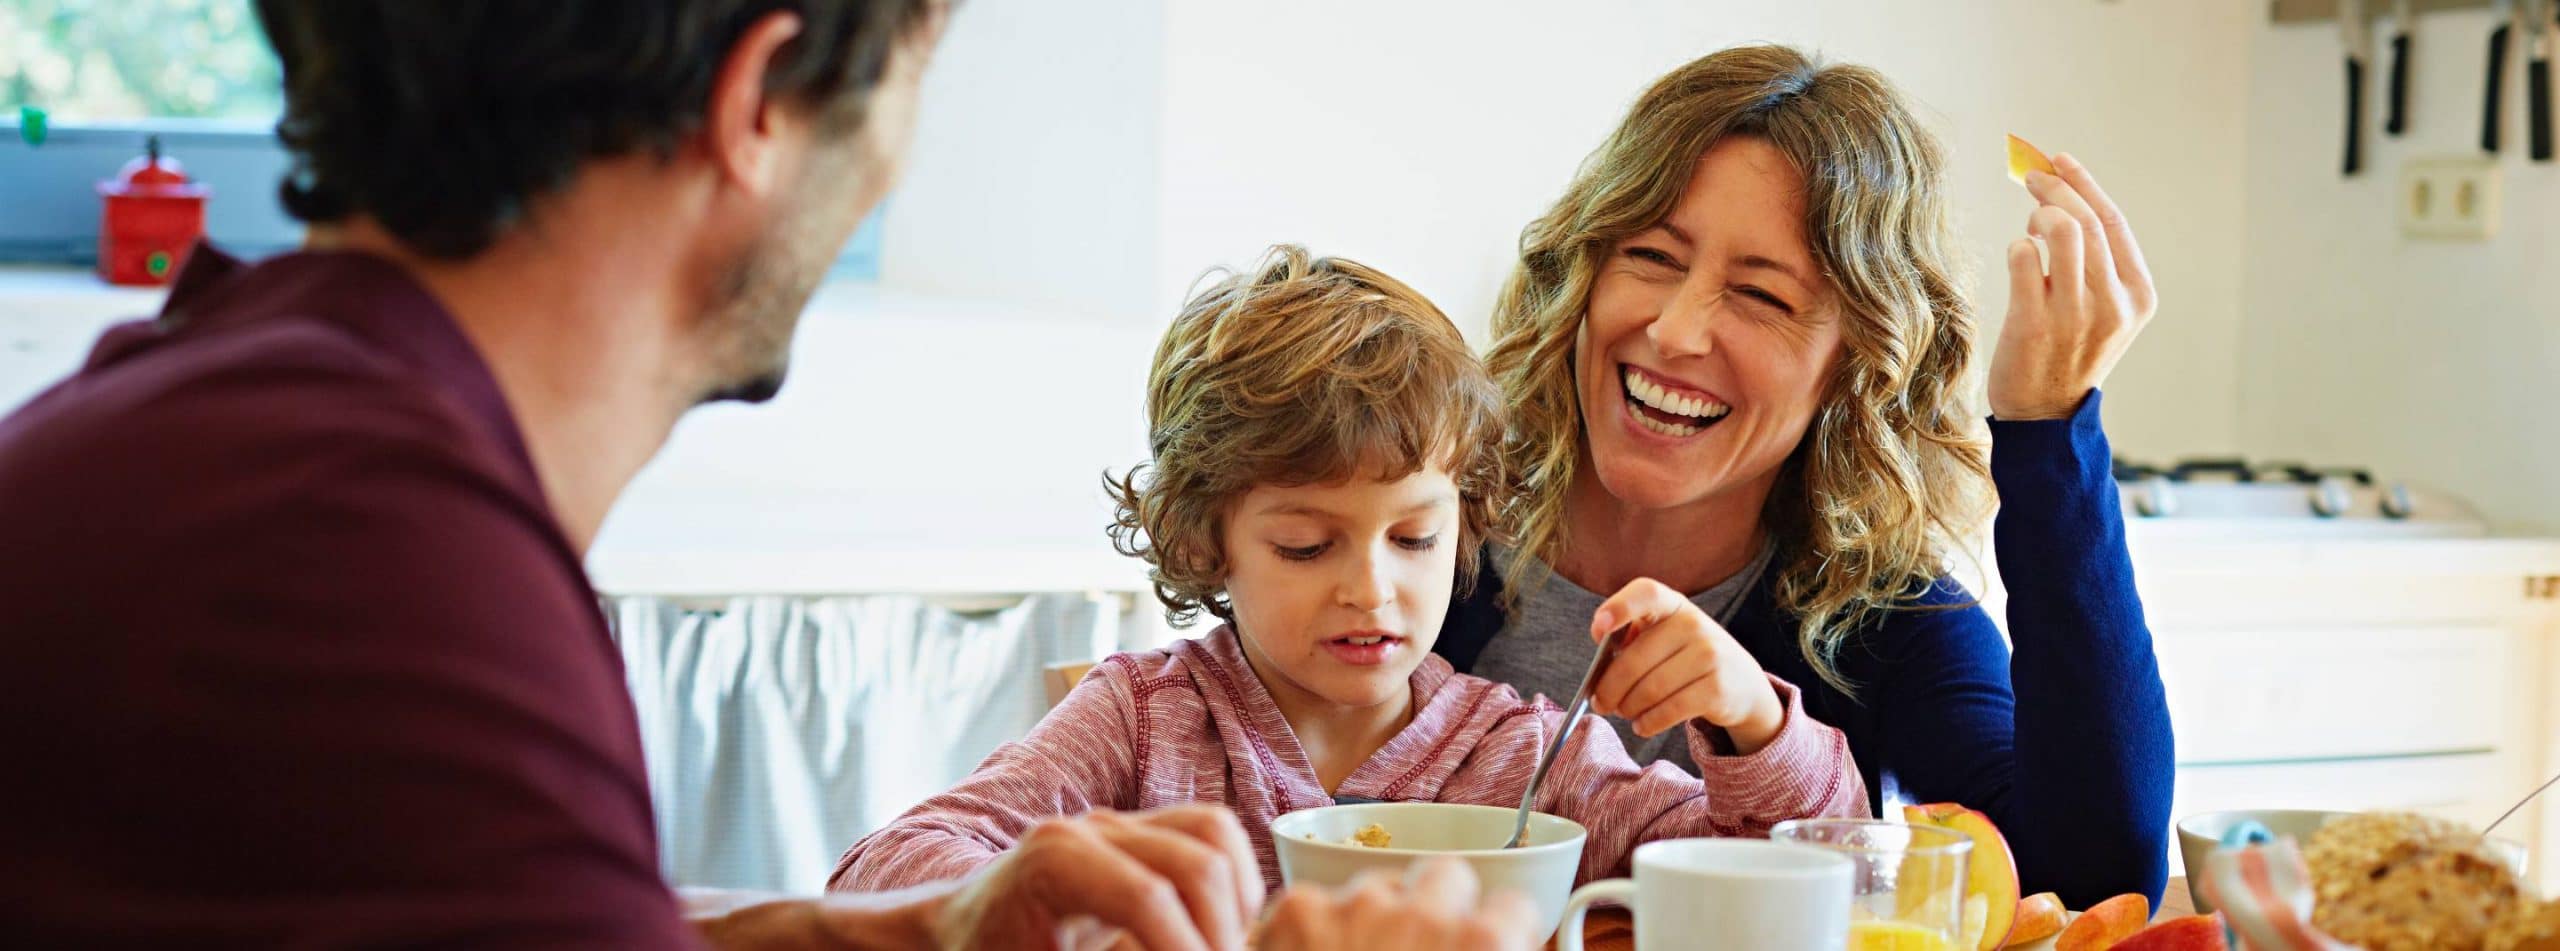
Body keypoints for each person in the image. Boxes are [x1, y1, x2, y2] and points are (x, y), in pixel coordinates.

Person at [0, 3, 1517, 948]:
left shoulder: (228, 420)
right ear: (763, 101)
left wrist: (882, 931)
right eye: (921, 69)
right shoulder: (384, 580)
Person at [830, 247, 1868, 902]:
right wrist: (1050, 897)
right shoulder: (1144, 723)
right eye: (1305, 546)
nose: (1371, 590)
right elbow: (885, 871)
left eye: (1413, 541)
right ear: (1204, 541)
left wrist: (1750, 723)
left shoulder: (1515, 753)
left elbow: (1813, 874)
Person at [1430, 45, 2176, 907]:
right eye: (1652, 257)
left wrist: (2049, 432)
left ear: (1853, 364)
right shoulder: (1414, 537)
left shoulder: (1877, 618)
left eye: (1762, 296)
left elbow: (2090, 880)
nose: (1675, 331)